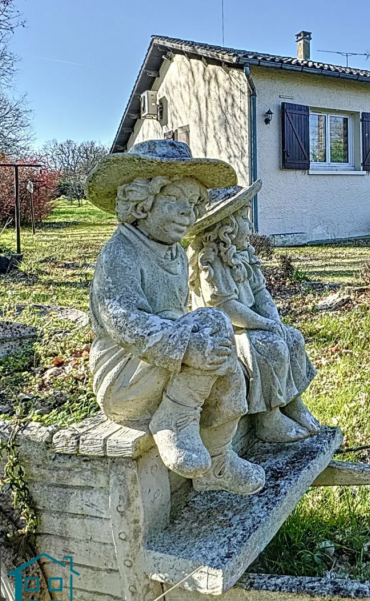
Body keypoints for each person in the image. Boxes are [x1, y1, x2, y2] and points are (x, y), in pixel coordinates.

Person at [85, 139, 264, 495]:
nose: (187, 213)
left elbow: (180, 314)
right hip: (126, 375)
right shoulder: (120, 252)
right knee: (212, 326)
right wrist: (187, 346)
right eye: (174, 200)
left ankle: (217, 462)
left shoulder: (176, 254)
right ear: (140, 202)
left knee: (221, 348)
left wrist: (199, 347)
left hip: (169, 365)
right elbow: (123, 320)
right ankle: (175, 419)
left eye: (193, 203)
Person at [188, 182, 320, 443]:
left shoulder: (243, 253)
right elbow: (226, 308)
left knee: (292, 338)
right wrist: (263, 325)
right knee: (269, 347)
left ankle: (293, 403)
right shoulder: (209, 260)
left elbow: (260, 293)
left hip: (250, 323)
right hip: (223, 331)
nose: (250, 227)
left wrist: (273, 320)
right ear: (227, 227)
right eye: (245, 220)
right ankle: (268, 419)